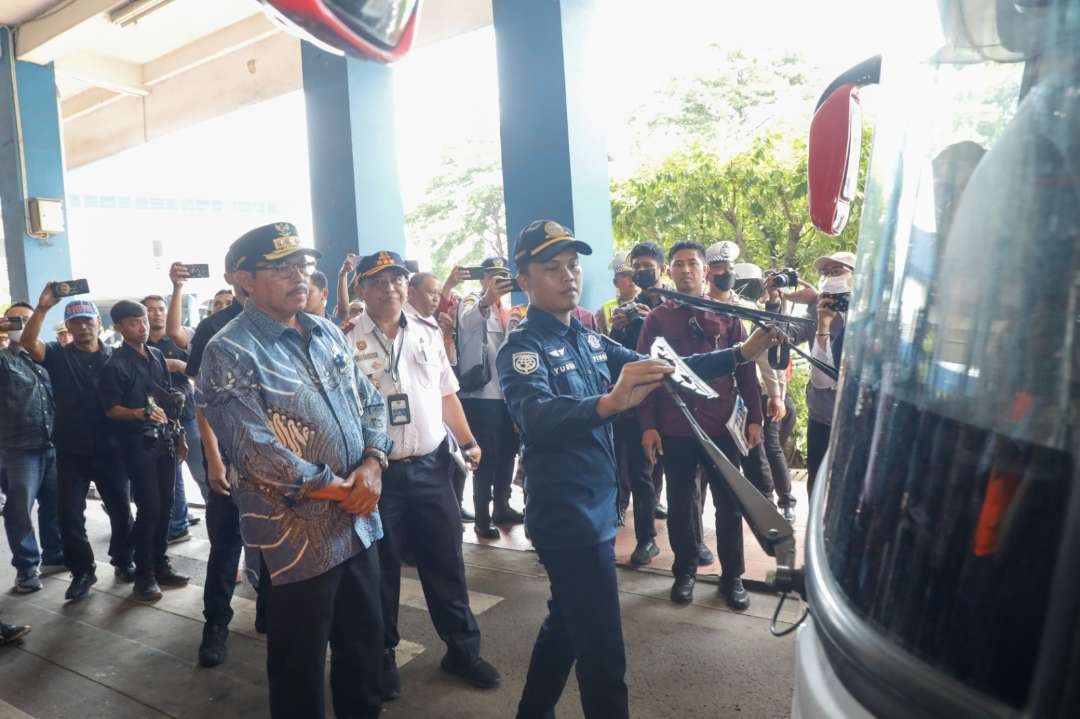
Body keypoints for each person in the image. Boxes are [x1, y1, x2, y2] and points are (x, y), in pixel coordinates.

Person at [499, 219, 784, 719]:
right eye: (552, 268)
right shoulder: (522, 348)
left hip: (598, 507)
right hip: (569, 518)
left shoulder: (587, 338)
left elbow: (663, 363)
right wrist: (608, 403)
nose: (569, 276)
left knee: (566, 625)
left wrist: (741, 353)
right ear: (525, 280)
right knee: (603, 651)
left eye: (573, 265)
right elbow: (536, 417)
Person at [198, 222, 389, 718]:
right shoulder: (229, 350)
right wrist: (340, 489)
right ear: (243, 279)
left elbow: (371, 403)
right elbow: (254, 450)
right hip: (296, 543)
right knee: (299, 670)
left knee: (364, 652)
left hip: (358, 524)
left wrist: (372, 464)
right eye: (279, 267)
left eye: (301, 264)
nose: (298, 276)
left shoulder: (325, 331)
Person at [346, 251, 500, 699]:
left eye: (396, 279)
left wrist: (468, 441)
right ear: (361, 290)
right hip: (380, 475)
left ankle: (462, 650)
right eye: (378, 281)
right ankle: (384, 658)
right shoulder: (343, 340)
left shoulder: (428, 332)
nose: (389, 288)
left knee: (446, 563)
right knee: (381, 571)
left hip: (433, 469)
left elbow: (447, 393)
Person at [638, 240, 764, 609]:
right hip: (677, 425)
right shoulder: (656, 319)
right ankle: (685, 571)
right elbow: (647, 374)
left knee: (729, 503)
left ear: (705, 270)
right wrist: (648, 425)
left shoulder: (729, 317)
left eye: (692, 263)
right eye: (678, 264)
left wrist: (754, 418)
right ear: (669, 272)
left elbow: (746, 369)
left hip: (722, 425)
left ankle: (732, 577)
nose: (686, 270)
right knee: (681, 502)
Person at [20, 292, 134, 602]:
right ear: (69, 327)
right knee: (70, 514)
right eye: (76, 322)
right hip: (71, 450)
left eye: (88, 320)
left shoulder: (115, 356)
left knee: (121, 510)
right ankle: (83, 571)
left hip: (112, 450)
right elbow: (29, 343)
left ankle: (124, 560)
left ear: (99, 323)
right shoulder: (58, 354)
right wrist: (43, 308)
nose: (83, 326)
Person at [176, 250, 256, 668]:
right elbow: (202, 401)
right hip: (230, 457)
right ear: (237, 277)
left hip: (282, 461)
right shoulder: (214, 328)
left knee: (278, 547)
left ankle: (274, 613)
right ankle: (216, 625)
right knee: (226, 544)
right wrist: (213, 458)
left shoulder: (290, 321)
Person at [99, 300, 191, 602]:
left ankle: (160, 563)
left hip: (164, 440)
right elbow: (111, 410)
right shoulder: (114, 365)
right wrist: (140, 413)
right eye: (134, 322)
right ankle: (144, 575)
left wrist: (179, 436)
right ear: (119, 327)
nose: (143, 326)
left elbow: (164, 400)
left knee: (166, 507)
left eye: (144, 320)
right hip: (136, 446)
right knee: (149, 508)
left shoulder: (155, 355)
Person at [767, 250, 854, 495]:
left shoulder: (872, 313)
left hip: (854, 421)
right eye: (825, 273)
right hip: (822, 418)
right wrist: (777, 299)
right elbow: (783, 336)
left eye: (837, 271)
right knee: (817, 486)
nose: (830, 277)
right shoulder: (817, 308)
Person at [457, 256, 524, 538]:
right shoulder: (472, 300)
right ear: (483, 279)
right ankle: (483, 518)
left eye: (503, 276)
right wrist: (487, 298)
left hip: (505, 394)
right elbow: (468, 322)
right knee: (486, 457)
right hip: (481, 395)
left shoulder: (507, 309)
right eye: (493, 276)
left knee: (508, 452)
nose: (499, 281)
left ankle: (502, 506)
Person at [0, 302, 64, 593]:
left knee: (55, 504)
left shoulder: (49, 357)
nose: (20, 326)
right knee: (19, 510)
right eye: (13, 321)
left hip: (53, 443)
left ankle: (55, 553)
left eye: (26, 320)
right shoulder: (3, 361)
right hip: (19, 449)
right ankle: (26, 567)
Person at [728, 260, 797, 523]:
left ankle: (785, 502)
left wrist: (776, 396)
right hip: (752, 395)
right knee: (759, 451)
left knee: (770, 448)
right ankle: (767, 503)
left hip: (766, 394)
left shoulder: (761, 314)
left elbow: (769, 362)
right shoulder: (740, 312)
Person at [406, 271, 473, 520]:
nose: (436, 299)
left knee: (446, 539)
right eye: (430, 293)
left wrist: (468, 442)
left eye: (438, 294)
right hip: (389, 461)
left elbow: (446, 391)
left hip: (432, 453)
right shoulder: (363, 330)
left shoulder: (431, 327)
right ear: (411, 292)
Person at [143, 293, 207, 544]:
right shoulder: (138, 344)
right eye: (150, 310)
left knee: (202, 473)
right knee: (171, 478)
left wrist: (180, 366)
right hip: (156, 421)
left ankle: (218, 515)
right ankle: (177, 526)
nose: (156, 313)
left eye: (160, 309)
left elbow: (201, 376)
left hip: (188, 417)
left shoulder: (181, 340)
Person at [596, 253, 638, 336]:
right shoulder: (605, 309)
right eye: (625, 275)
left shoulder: (649, 302)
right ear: (615, 282)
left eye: (633, 274)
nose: (631, 278)